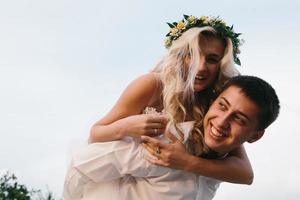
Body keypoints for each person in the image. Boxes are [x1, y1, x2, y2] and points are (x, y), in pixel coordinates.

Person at [63, 15, 254, 199]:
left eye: (212, 59)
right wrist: (126, 126)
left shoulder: (218, 107)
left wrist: (187, 162)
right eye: (191, 55)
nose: (201, 67)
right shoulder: (151, 86)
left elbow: (245, 173)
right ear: (178, 55)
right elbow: (96, 133)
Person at [64, 75, 280, 200]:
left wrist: (188, 163)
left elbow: (247, 176)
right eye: (222, 106)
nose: (222, 121)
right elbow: (81, 165)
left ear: (255, 136)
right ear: (212, 103)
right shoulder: (164, 143)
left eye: (239, 119)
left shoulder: (222, 166)